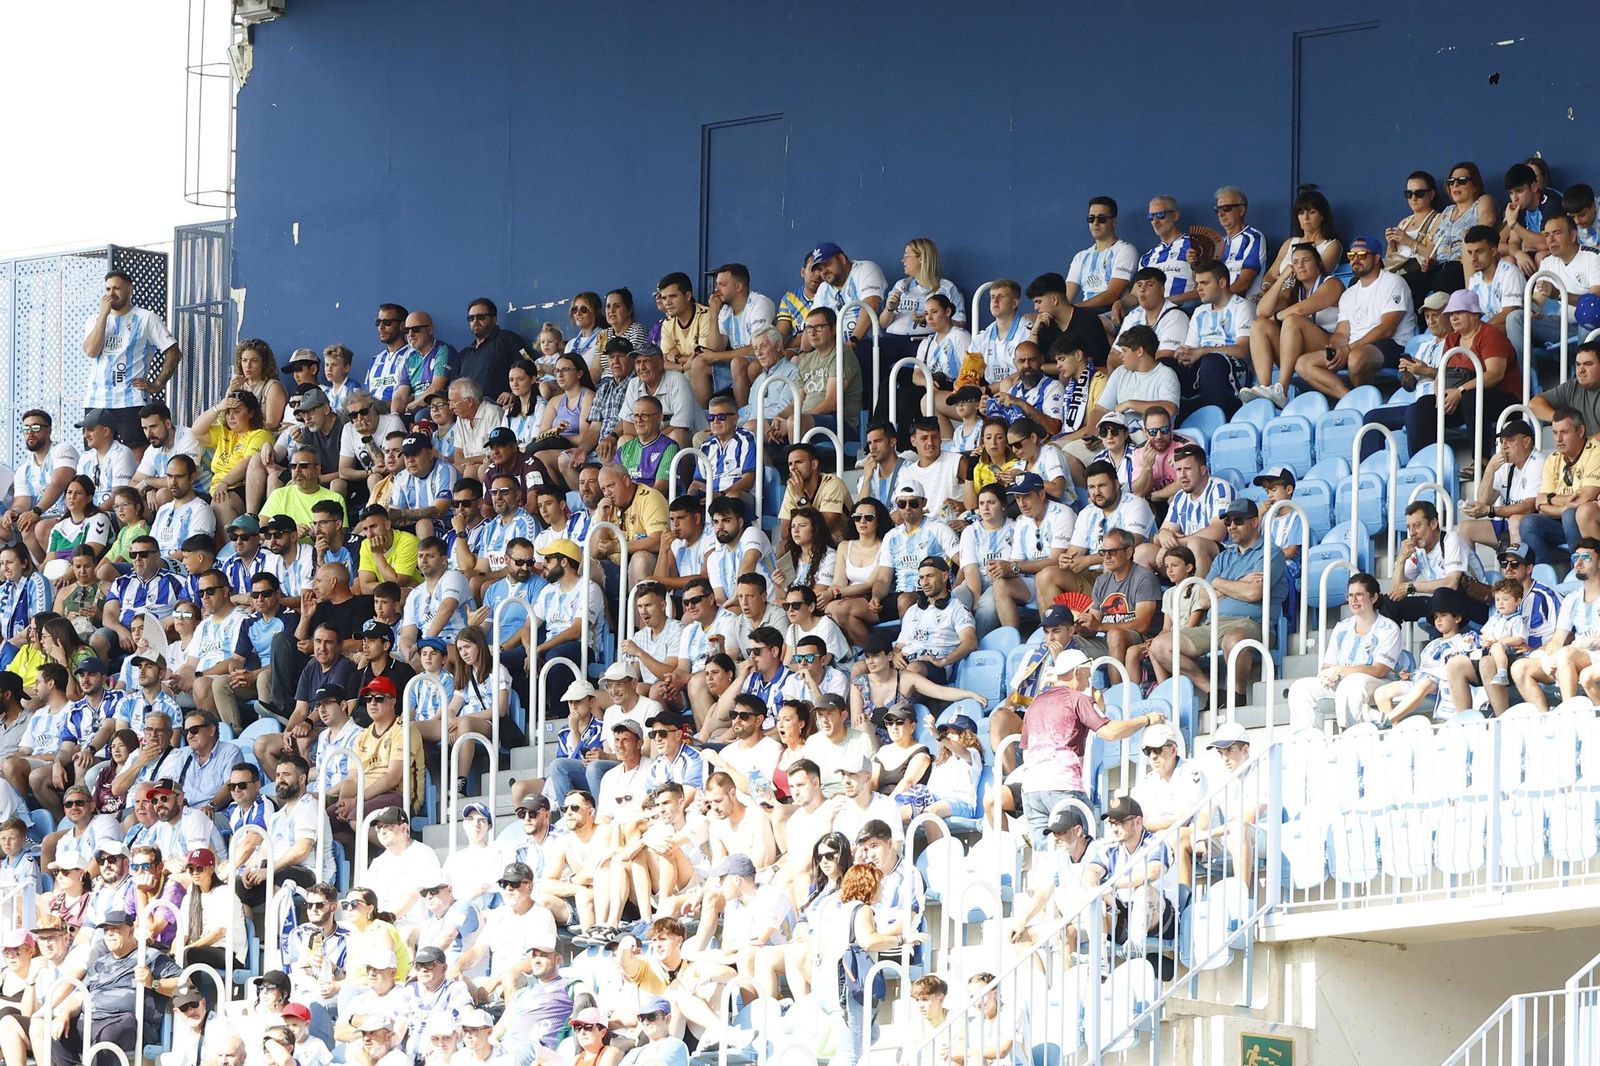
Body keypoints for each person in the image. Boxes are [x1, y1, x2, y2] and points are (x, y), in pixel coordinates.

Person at [1018, 649, 1164, 850]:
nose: (1089, 682)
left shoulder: (1034, 705)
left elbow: (1026, 752)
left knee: (1045, 856)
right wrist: (1146, 719)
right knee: (1082, 849)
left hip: (1032, 789)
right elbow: (1110, 732)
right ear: (1077, 672)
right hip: (1062, 784)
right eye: (1087, 674)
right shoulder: (1076, 699)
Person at [1150, 497, 1286, 696]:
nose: (1232, 526)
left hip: (1251, 623)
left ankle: (1237, 696)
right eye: (1227, 522)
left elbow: (1253, 593)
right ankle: (1213, 692)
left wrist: (1219, 584)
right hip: (1212, 624)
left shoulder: (1270, 552)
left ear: (1255, 522)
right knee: (1160, 646)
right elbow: (1204, 599)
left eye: (1238, 520)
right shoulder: (1224, 557)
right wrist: (1231, 582)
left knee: (1234, 640)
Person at [1290, 235, 1417, 400]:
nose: (1355, 259)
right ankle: (1351, 399)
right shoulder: (1349, 294)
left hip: (1394, 345)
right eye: (1351, 256)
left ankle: (1367, 401)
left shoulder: (1393, 282)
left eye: (1362, 255)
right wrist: (1334, 350)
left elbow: (1387, 329)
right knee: (1303, 364)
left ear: (1377, 257)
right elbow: (1342, 333)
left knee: (1356, 359)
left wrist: (1349, 349)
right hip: (1354, 347)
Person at [80, 270, 183, 450]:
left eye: (117, 288)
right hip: (96, 401)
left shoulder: (146, 318)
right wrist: (104, 315)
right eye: (108, 289)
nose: (111, 294)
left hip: (130, 401)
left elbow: (173, 352)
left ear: (130, 290)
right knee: (96, 454)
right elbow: (91, 351)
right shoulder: (95, 319)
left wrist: (157, 383)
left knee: (135, 454)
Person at [1287, 573, 1401, 730]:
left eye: (1359, 595)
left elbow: (1379, 670)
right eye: (1350, 595)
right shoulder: (1341, 627)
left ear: (1374, 597)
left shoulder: (1389, 628)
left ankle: (1352, 737)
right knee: (1300, 688)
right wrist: (1328, 676)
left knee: (1351, 683)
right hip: (1341, 683)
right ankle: (1310, 744)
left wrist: (1341, 670)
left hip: (1376, 682)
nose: (1353, 600)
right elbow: (1327, 666)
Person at [1241, 242, 1347, 407]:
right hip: (1298, 350)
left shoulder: (1332, 283)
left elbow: (1301, 309)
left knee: (1292, 320)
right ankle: (1266, 388)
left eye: (1306, 260)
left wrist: (1277, 317)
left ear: (1318, 264)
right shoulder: (1294, 291)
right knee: (1259, 325)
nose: (1300, 265)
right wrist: (1283, 278)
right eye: (1295, 262)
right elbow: (1261, 311)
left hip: (1329, 345)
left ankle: (1281, 389)